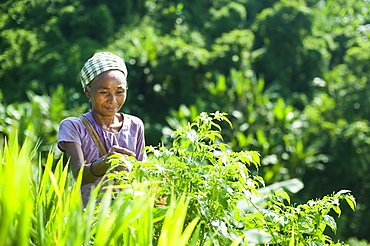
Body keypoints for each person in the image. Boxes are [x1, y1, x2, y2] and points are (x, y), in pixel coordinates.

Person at [58, 52, 147, 206]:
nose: (113, 100)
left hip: (125, 216)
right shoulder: (73, 126)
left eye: (119, 92)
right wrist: (107, 162)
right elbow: (79, 175)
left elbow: (142, 173)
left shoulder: (135, 125)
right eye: (104, 93)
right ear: (88, 91)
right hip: (88, 218)